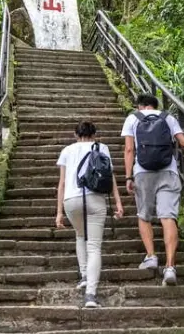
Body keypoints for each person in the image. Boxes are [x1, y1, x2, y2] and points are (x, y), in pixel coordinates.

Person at [122, 94, 184, 286]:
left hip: (143, 172)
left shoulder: (133, 118)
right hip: (168, 171)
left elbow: (129, 150)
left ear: (140, 106)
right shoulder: (168, 117)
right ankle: (170, 267)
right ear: (155, 105)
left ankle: (151, 256)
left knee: (144, 215)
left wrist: (128, 177)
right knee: (168, 217)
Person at [56, 121, 124, 308]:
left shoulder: (67, 151)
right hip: (95, 199)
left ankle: (84, 275)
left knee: (80, 235)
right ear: (94, 134)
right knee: (94, 246)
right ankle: (90, 296)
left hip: (71, 200)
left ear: (75, 134)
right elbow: (110, 178)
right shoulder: (102, 148)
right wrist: (118, 201)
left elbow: (61, 183)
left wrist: (59, 212)